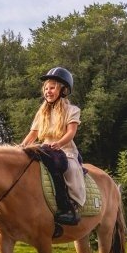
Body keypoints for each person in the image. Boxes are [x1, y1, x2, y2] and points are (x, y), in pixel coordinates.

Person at [20, 66, 85, 225]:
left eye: (52, 88)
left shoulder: (72, 110)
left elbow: (71, 133)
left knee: (71, 169)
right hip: (45, 149)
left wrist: (59, 143)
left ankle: (71, 206)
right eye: (46, 88)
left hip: (65, 149)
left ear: (63, 90)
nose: (48, 91)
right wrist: (20, 147)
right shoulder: (42, 112)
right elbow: (33, 134)